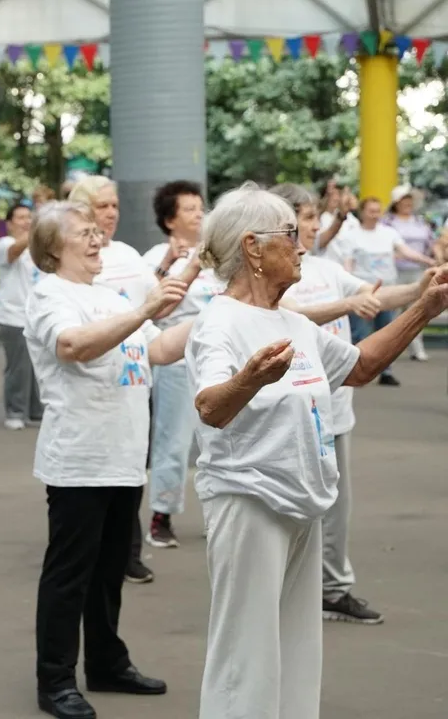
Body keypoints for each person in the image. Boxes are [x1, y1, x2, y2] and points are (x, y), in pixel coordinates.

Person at [188, 183, 448, 719]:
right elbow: (211, 406)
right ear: (254, 248)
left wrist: (425, 308)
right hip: (248, 502)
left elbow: (360, 366)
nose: (303, 245)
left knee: (297, 650)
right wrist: (250, 379)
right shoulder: (219, 324)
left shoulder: (294, 324)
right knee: (245, 657)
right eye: (290, 234)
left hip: (302, 502)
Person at [25, 201, 191, 719]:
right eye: (83, 233)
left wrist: (220, 312)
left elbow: (159, 350)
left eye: (98, 231)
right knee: (69, 573)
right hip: (79, 458)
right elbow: (72, 345)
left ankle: (105, 661)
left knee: (110, 569)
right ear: (53, 248)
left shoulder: (108, 295)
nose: (97, 239)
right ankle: (54, 680)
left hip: (123, 456)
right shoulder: (50, 294)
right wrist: (144, 309)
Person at [273, 183, 436, 626]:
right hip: (291, 413)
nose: (314, 225)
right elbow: (282, 317)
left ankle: (332, 590)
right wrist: (349, 304)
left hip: (336, 409)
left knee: (336, 507)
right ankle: (288, 592)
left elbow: (375, 296)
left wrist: (420, 291)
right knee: (289, 507)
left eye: (313, 217)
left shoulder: (324, 269)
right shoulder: (270, 277)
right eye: (306, 218)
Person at [67, 175, 197, 582]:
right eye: (101, 206)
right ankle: (86, 549)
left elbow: (153, 306)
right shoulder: (72, 259)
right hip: (88, 380)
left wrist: (190, 269)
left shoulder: (125, 254)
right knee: (91, 470)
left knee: (132, 462)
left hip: (134, 377)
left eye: (114, 206)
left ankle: (128, 552)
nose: (110, 214)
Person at [142, 181, 224, 550]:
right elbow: (148, 305)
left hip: (221, 358)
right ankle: (162, 514)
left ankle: (221, 513)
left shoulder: (217, 257)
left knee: (223, 440)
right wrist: (169, 265)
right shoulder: (157, 256)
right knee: (172, 441)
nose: (199, 214)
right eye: (189, 209)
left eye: (200, 207)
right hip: (175, 358)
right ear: (170, 219)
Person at [330, 196, 436, 386]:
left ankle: (386, 371)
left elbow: (405, 251)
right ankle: (354, 371)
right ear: (362, 212)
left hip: (389, 290)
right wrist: (344, 285)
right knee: (360, 333)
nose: (374, 215)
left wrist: (426, 261)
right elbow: (347, 263)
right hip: (362, 292)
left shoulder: (389, 233)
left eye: (377, 211)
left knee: (388, 330)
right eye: (371, 211)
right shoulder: (351, 235)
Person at [0, 203, 42, 430]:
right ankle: (15, 411)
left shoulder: (36, 248)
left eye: (29, 217)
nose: (25, 221)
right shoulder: (5, 243)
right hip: (12, 316)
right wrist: (36, 230)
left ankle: (34, 411)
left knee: (37, 366)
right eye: (20, 218)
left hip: (37, 316)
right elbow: (14, 253)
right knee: (18, 367)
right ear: (10, 224)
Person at [385, 185, 436, 361]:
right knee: (394, 311)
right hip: (396, 271)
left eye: (410, 201)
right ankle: (390, 349)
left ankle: (417, 348)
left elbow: (431, 242)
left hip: (418, 271)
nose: (408, 204)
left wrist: (434, 259)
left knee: (418, 308)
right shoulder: (388, 222)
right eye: (404, 201)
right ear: (396, 203)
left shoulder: (419, 222)